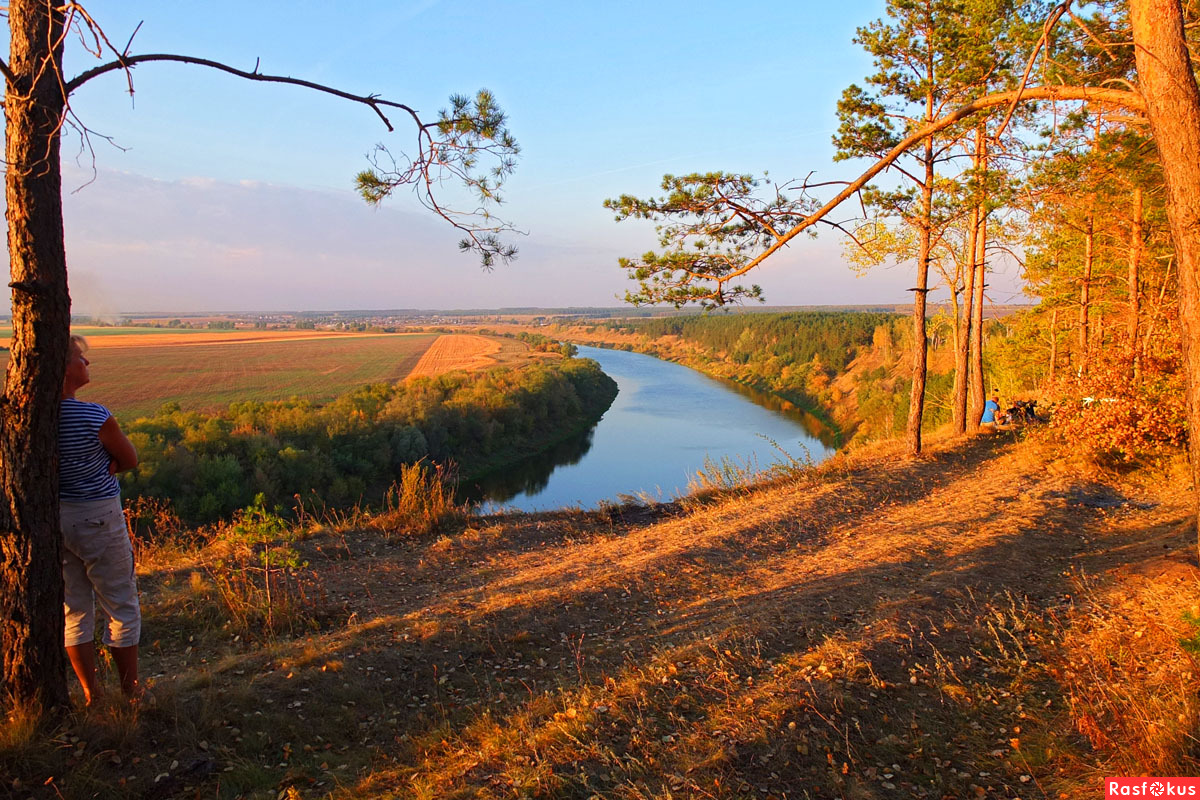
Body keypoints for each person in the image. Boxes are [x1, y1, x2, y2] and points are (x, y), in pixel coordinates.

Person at [59, 334, 141, 704]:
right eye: (80, 358)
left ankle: (92, 695)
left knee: (74, 609)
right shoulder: (94, 415)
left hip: (54, 520)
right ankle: (130, 692)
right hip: (97, 517)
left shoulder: (25, 415)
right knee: (121, 604)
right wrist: (107, 466)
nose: (86, 364)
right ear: (63, 368)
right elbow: (130, 460)